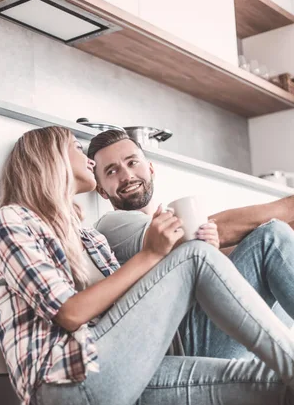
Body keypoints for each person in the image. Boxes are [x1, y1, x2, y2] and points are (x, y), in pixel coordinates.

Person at [0, 126, 294, 405]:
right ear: (51, 159)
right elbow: (69, 313)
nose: (89, 160)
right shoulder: (12, 219)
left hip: (125, 374)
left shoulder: (90, 238)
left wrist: (181, 259)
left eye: (132, 162)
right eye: (78, 149)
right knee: (196, 255)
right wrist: (153, 255)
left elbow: (128, 311)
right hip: (68, 383)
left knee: (273, 383)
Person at [89, 129, 294, 362]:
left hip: (209, 328)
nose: (126, 175)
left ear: (151, 169)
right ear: (102, 190)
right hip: (185, 343)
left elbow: (225, 259)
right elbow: (187, 234)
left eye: (132, 162)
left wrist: (214, 250)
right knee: (273, 236)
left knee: (282, 236)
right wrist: (287, 207)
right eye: (112, 171)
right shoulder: (113, 225)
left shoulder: (164, 218)